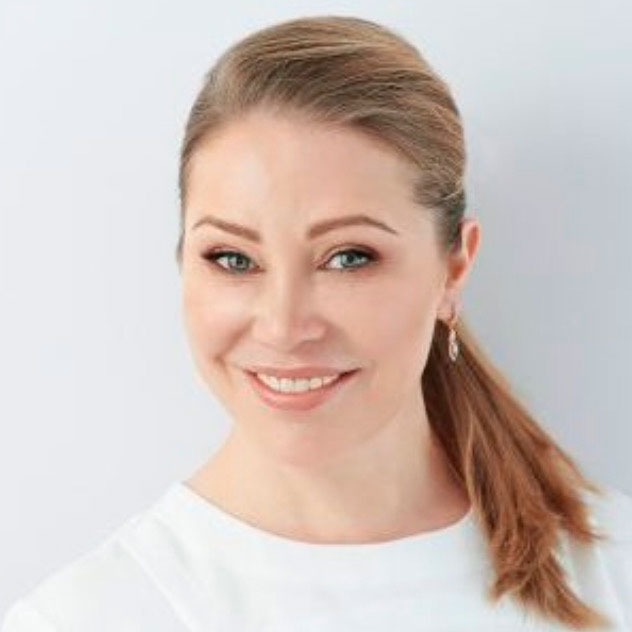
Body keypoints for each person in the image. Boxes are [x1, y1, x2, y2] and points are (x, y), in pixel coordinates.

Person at [3, 14, 631, 632]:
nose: (282, 326)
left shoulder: (612, 567)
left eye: (348, 257)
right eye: (233, 259)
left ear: (454, 267)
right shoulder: (83, 617)